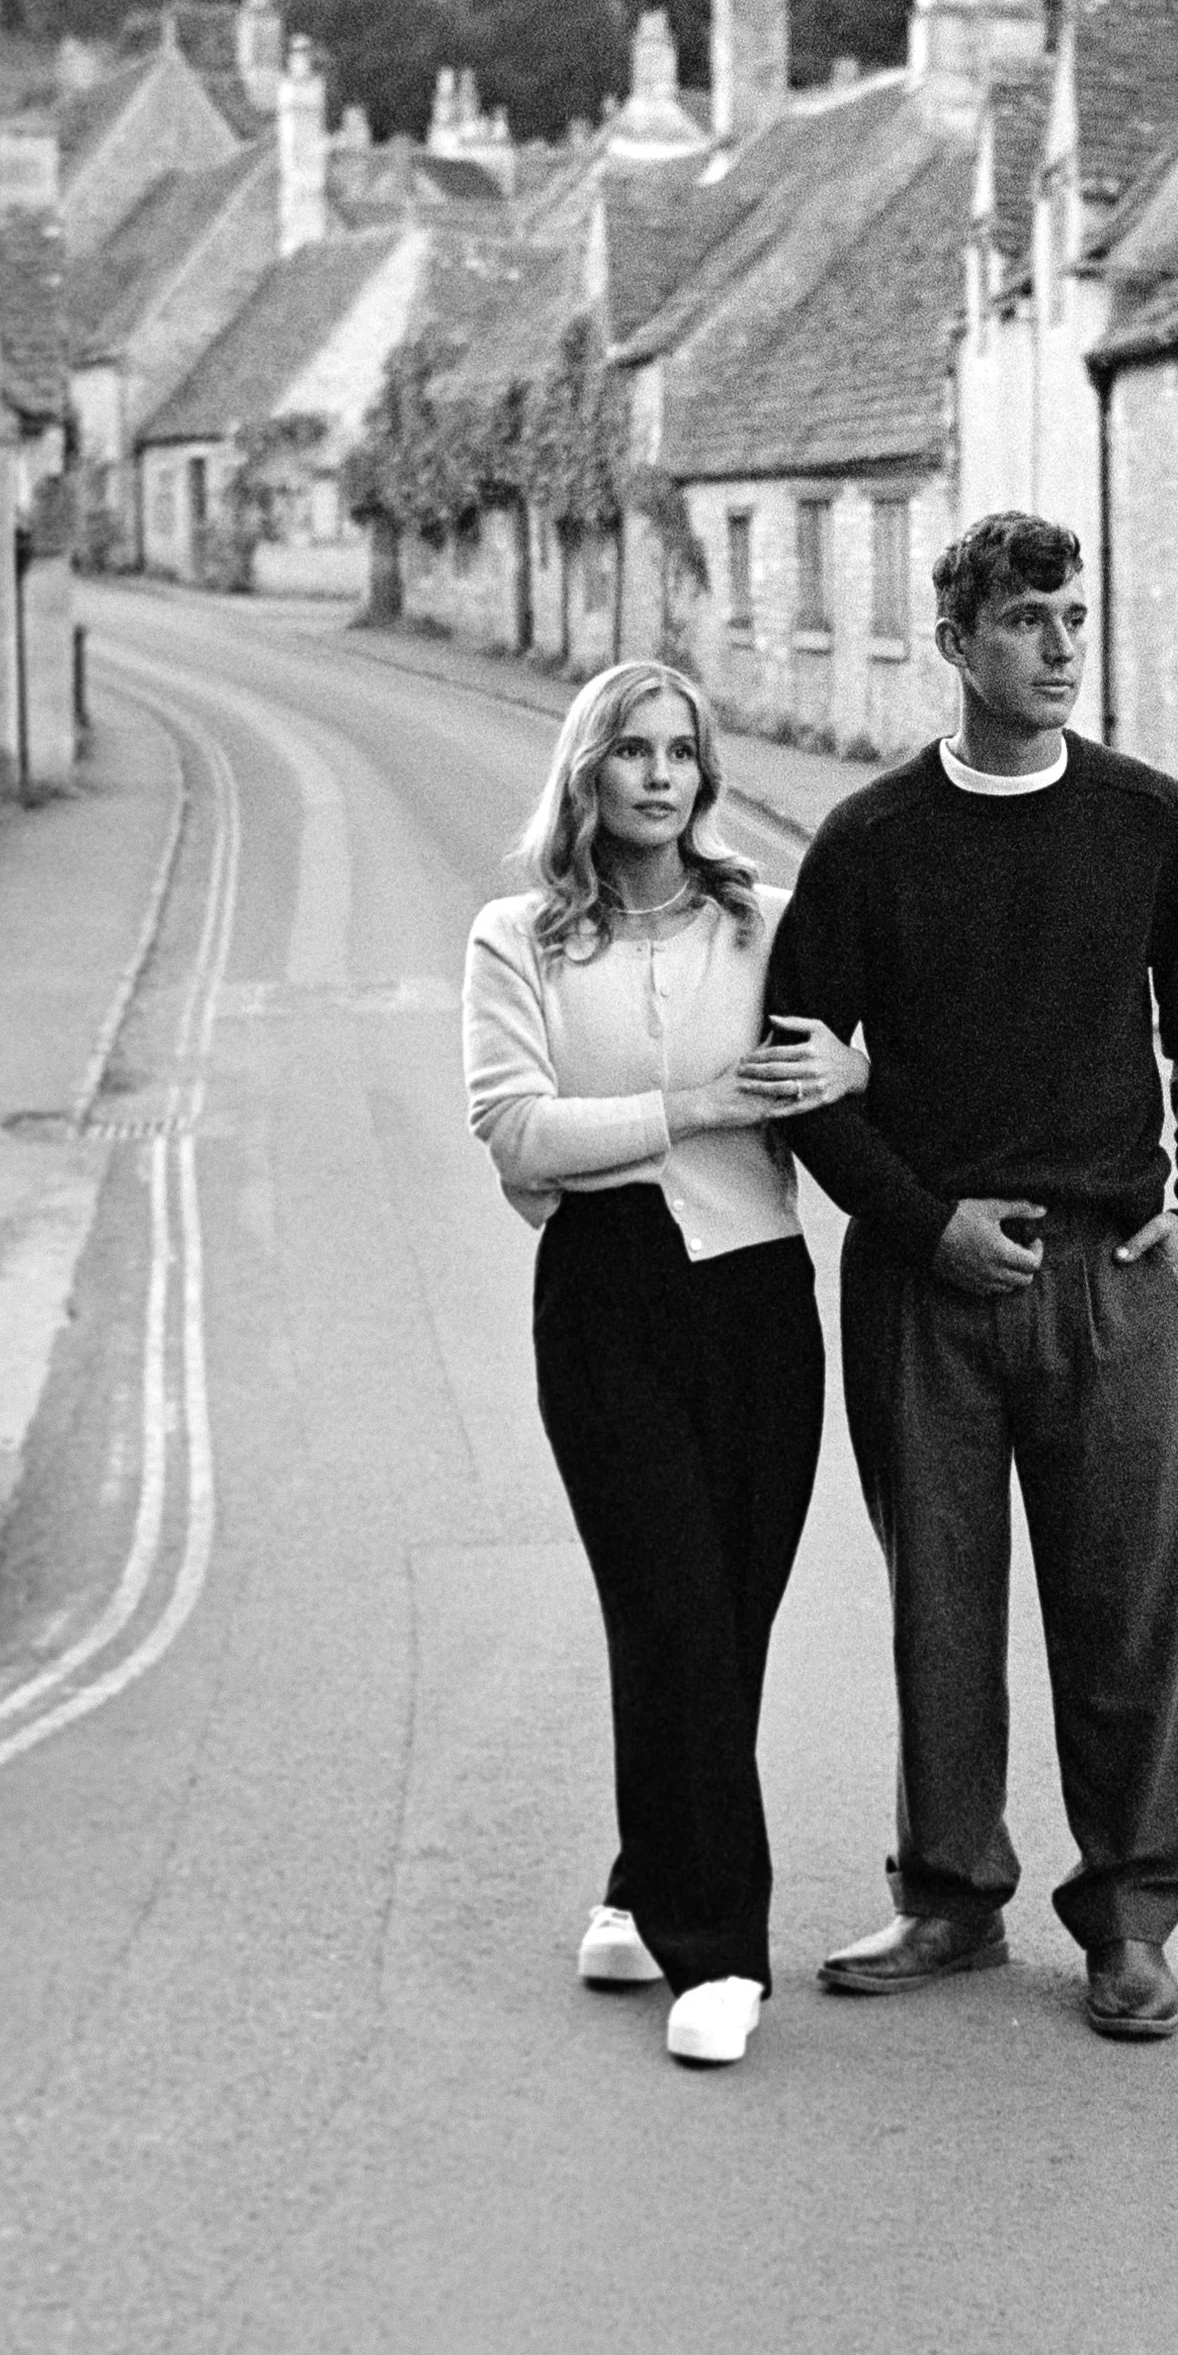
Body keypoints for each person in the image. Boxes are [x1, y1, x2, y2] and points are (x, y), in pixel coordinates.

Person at [764, 511, 1178, 2042]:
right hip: (930, 1290)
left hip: (1113, 1279)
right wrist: (922, 1226)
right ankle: (951, 1895)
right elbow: (798, 1074)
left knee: (1128, 1612)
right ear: (958, 643)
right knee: (944, 1606)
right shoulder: (870, 844)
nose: (1061, 648)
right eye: (1030, 621)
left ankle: (1131, 1918)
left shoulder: (1146, 823)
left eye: (1074, 619)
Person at [462, 660, 865, 2070]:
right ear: (588, 770)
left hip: (760, 1292)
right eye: (629, 749)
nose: (658, 774)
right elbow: (515, 1127)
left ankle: (644, 1881)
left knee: (724, 1618)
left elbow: (857, 1061)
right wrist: (693, 1104)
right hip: (606, 1294)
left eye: (680, 751)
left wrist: (848, 1079)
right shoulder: (518, 937)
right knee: (672, 1601)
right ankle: (724, 1954)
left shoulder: (769, 923)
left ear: (705, 774)